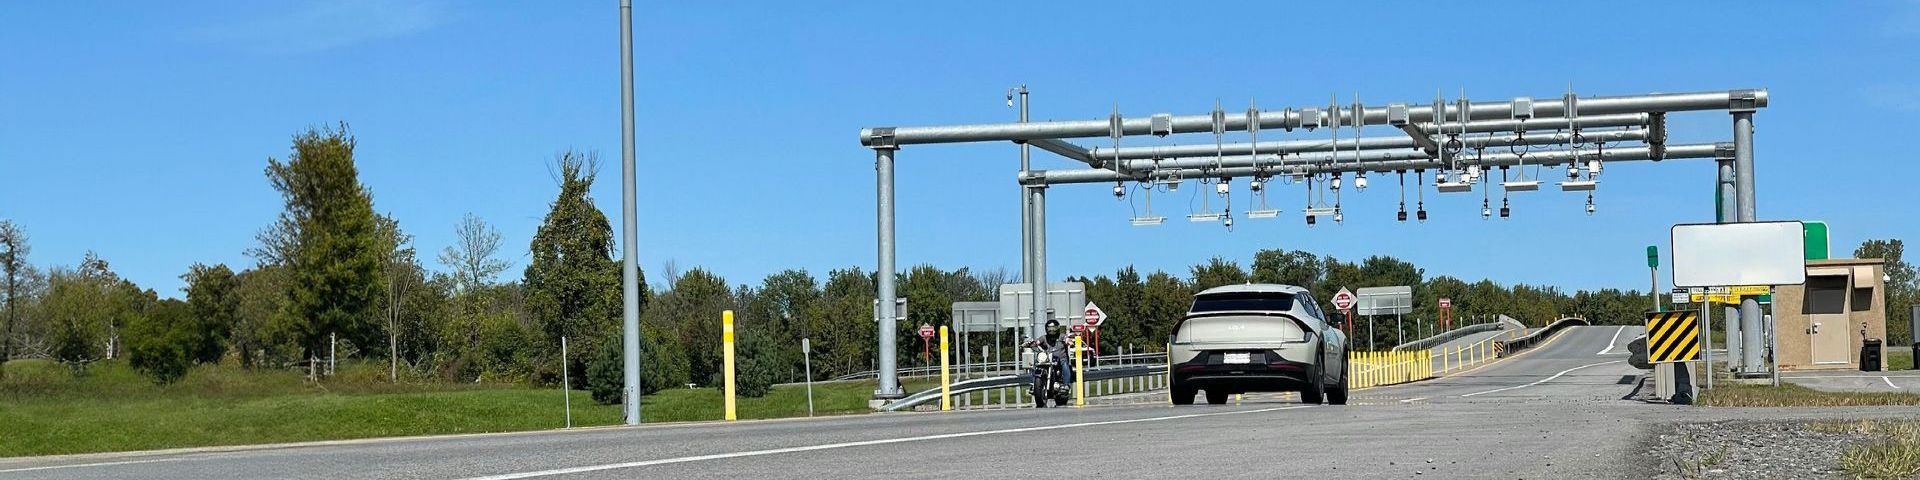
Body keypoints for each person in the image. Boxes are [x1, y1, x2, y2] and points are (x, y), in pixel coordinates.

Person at [1025, 319, 1075, 385]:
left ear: (1057, 328)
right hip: (1047, 359)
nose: (1052, 331)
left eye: (1054, 328)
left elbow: (1067, 339)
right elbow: (1037, 342)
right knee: (1036, 366)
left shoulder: (1062, 336)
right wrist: (1030, 344)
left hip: (1061, 359)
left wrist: (1069, 342)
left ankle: (1066, 384)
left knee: (1065, 365)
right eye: (1049, 329)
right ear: (1046, 329)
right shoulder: (1044, 338)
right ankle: (1034, 384)